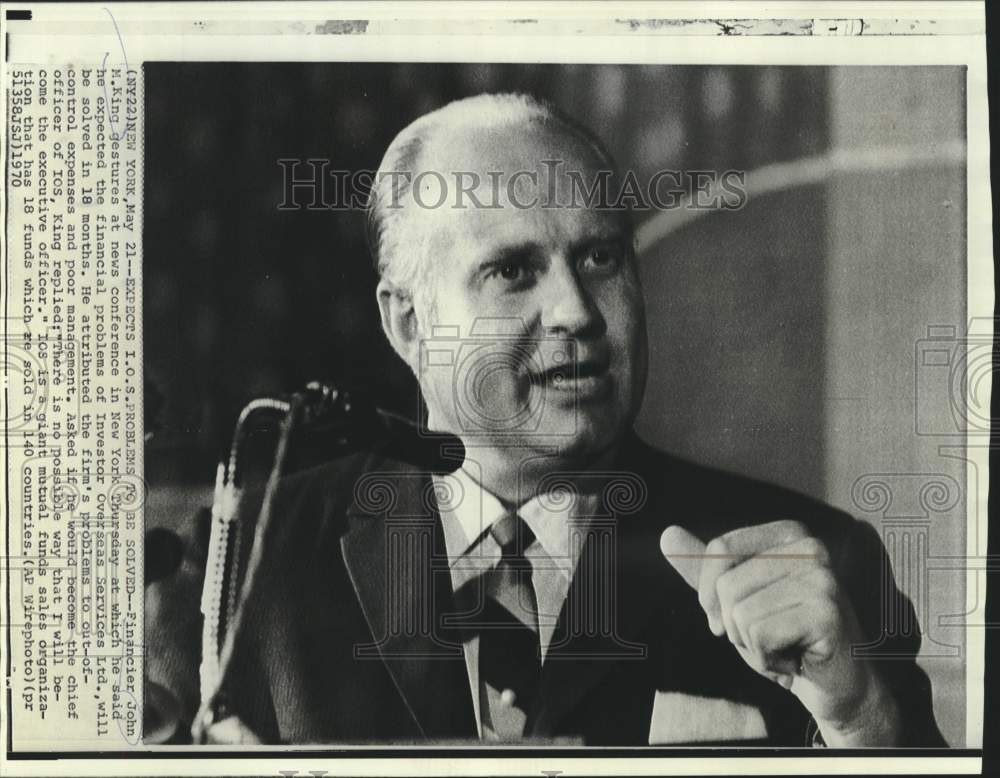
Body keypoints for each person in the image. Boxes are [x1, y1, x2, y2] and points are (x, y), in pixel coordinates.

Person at [168, 93, 944, 746]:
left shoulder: (821, 564)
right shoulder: (247, 559)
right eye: (513, 271)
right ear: (407, 324)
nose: (577, 312)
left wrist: (858, 717)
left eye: (601, 259)